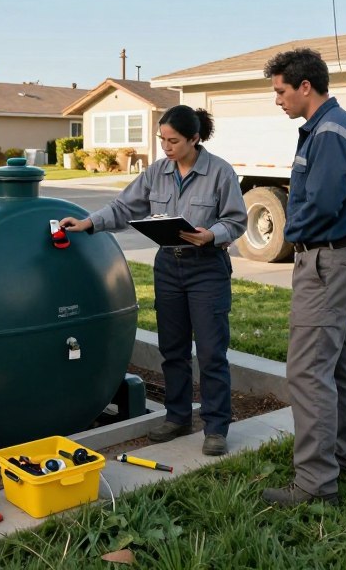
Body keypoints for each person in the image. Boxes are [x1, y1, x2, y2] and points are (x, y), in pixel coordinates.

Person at [59, 105, 246, 456]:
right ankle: (177, 417)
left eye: (173, 140)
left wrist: (212, 235)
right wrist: (88, 222)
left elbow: (236, 221)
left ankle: (216, 426)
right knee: (172, 348)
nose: (166, 147)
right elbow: (124, 208)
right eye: (162, 139)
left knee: (210, 351)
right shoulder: (156, 172)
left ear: (194, 138)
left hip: (207, 267)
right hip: (168, 268)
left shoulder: (220, 172)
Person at [259, 48, 346, 507]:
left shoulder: (327, 133)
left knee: (307, 373)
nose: (278, 100)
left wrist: (290, 235)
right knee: (341, 363)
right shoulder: (336, 125)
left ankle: (315, 484)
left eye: (281, 91)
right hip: (343, 259)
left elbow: (322, 204)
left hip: (326, 262)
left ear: (306, 86)